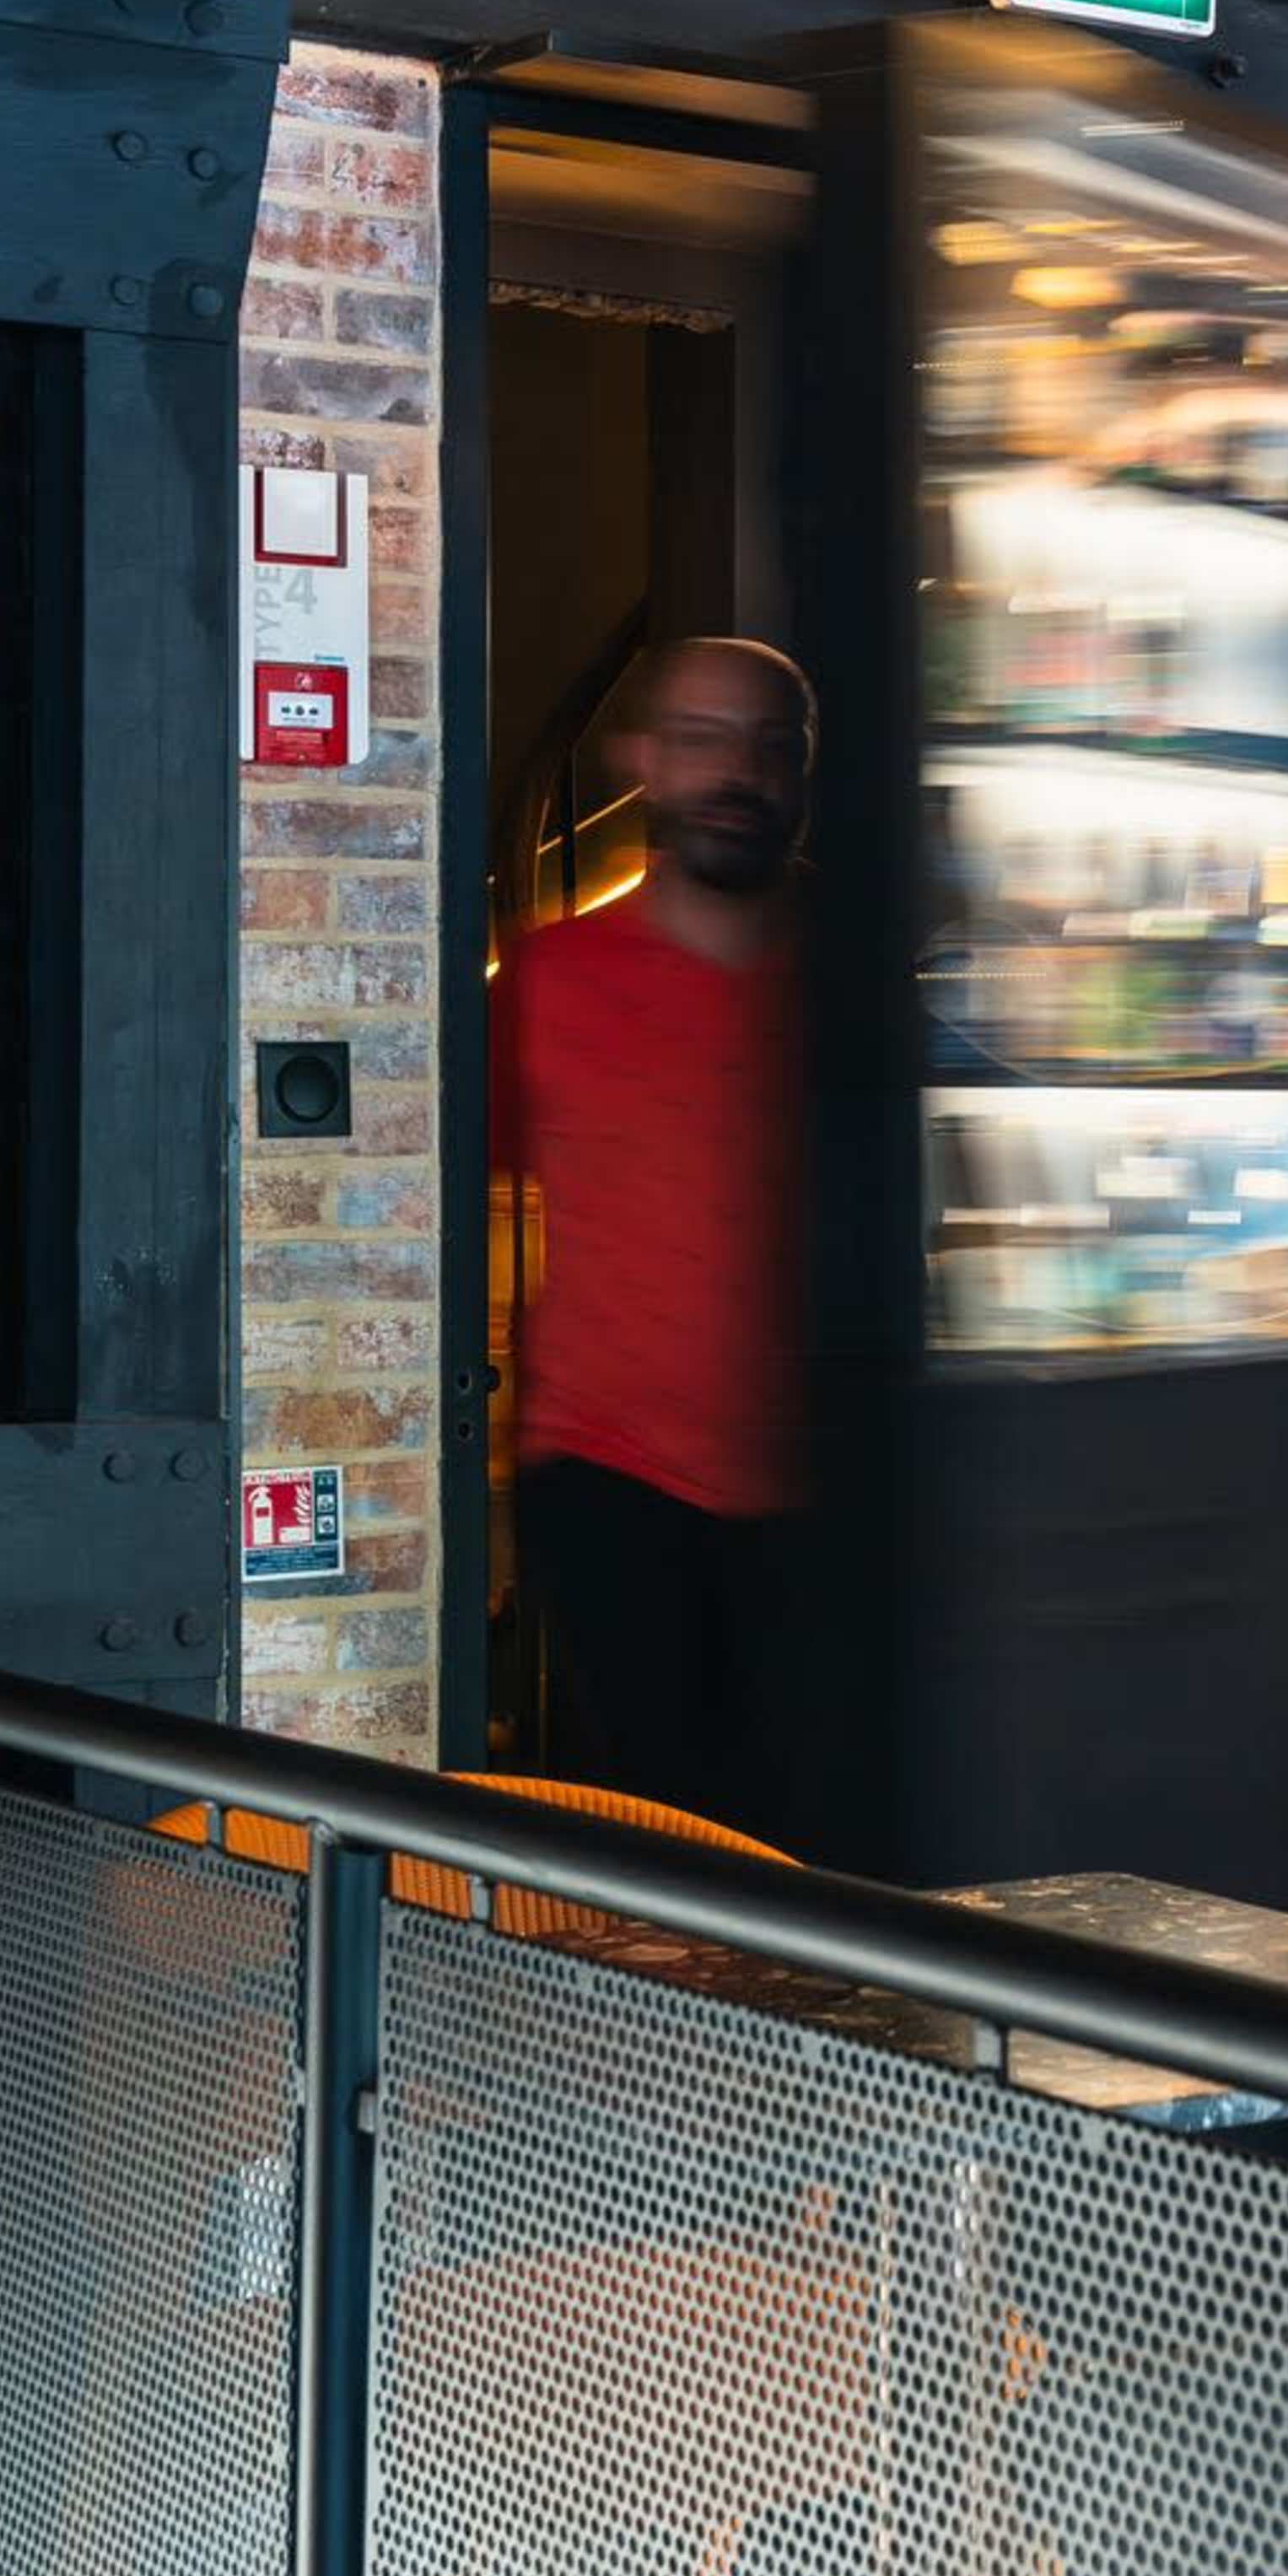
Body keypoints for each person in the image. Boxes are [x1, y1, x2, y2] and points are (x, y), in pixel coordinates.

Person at [488, 634, 814, 1836]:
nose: (737, 770)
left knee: (815, 1849)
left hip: (825, 1494)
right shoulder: (548, 978)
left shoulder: (863, 984)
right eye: (699, 739)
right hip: (611, 1482)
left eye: (768, 745)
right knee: (652, 1844)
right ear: (642, 766)